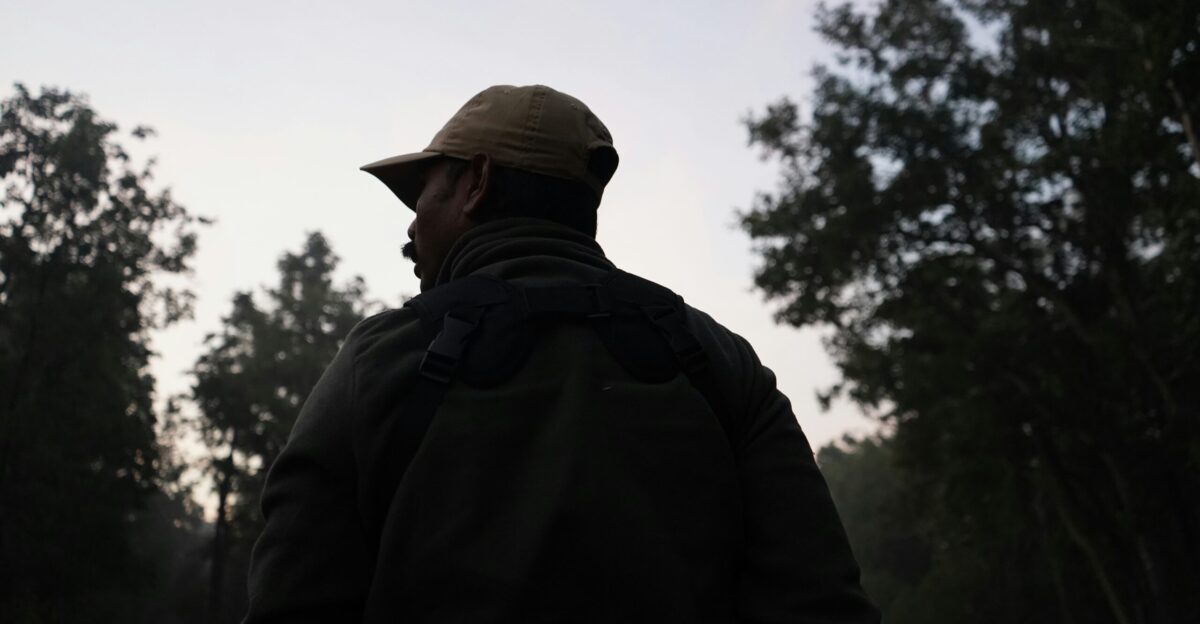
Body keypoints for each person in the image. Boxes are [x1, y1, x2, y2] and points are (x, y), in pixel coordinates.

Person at [243, 84, 879, 623]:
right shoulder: (719, 362)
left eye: (426, 194)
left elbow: (291, 602)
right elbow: (821, 603)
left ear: (476, 184)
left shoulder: (380, 359)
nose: (411, 227)